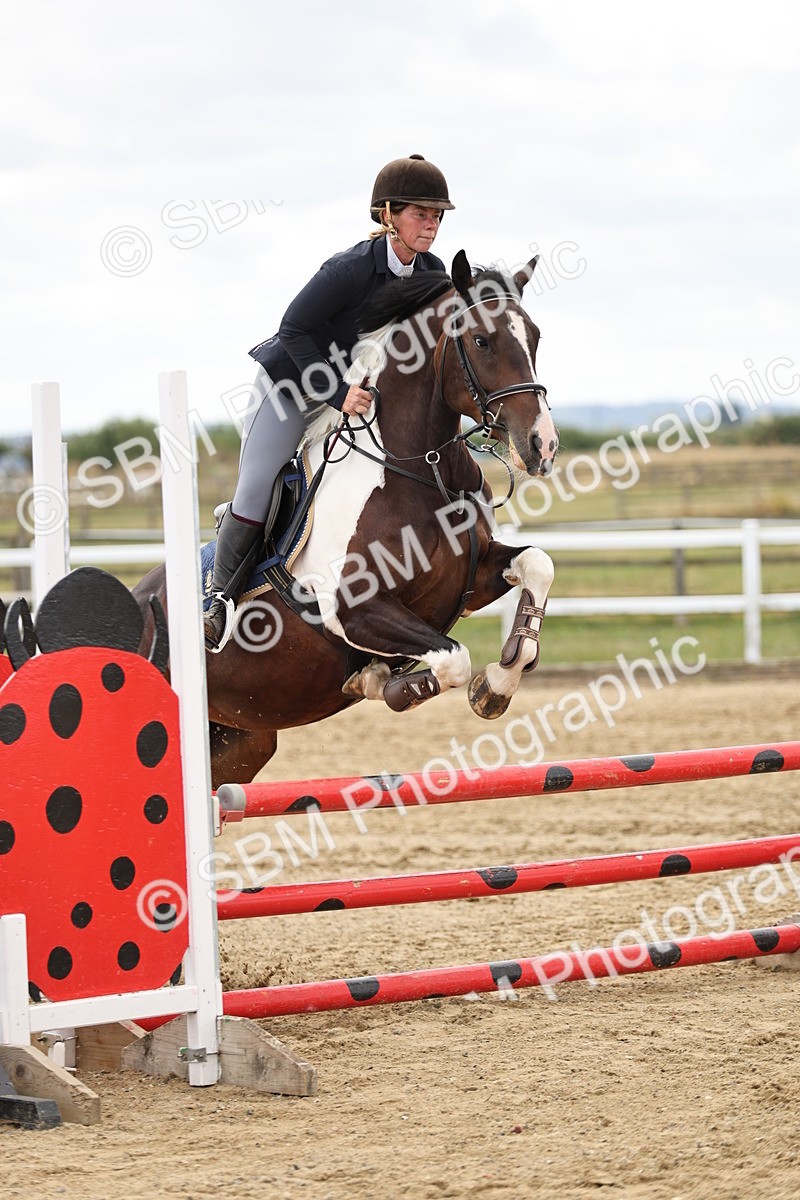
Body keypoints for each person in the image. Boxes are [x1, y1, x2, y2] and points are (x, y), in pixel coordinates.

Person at [204, 153, 455, 651]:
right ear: (388, 215)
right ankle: (219, 600)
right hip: (294, 386)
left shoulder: (432, 271)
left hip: (357, 392)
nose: (431, 224)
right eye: (420, 213)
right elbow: (292, 331)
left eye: (437, 216)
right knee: (258, 485)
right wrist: (335, 393)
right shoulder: (348, 270)